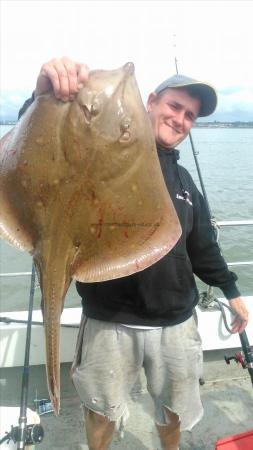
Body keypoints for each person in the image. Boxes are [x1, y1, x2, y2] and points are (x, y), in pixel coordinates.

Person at [19, 57, 249, 450]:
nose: (180, 119)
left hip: (174, 321)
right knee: (102, 411)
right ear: (152, 101)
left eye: (190, 115)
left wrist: (232, 292)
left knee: (173, 409)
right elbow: (43, 144)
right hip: (110, 318)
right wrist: (41, 97)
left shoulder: (185, 183)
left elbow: (203, 248)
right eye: (175, 107)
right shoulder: (104, 144)